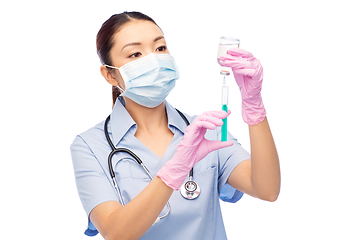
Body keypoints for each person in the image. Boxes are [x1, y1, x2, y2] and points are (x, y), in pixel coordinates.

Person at [70, 11, 280, 240]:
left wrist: (254, 107)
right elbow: (117, 233)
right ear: (110, 75)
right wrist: (175, 169)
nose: (154, 61)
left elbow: (267, 189)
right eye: (135, 54)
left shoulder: (206, 129)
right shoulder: (90, 146)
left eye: (160, 48)